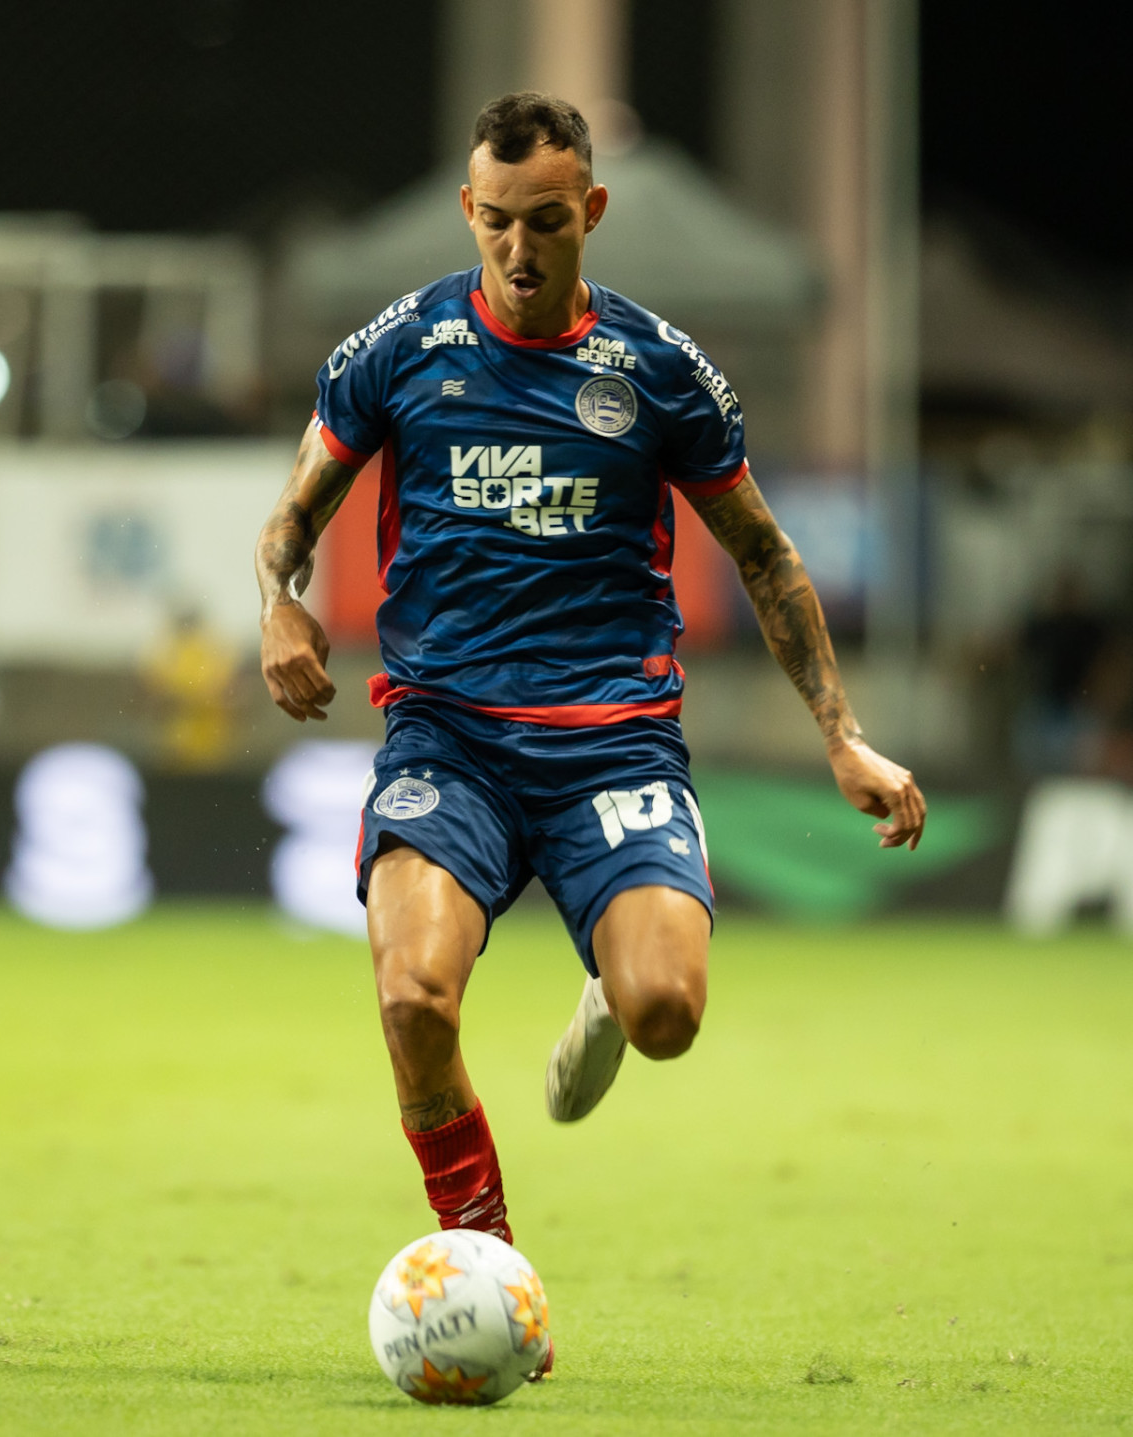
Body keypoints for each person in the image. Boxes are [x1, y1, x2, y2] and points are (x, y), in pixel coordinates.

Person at [253, 93, 927, 1361]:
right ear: (469, 209)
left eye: (548, 223)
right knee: (412, 999)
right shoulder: (399, 349)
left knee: (667, 1013)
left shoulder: (658, 370)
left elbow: (767, 556)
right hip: (447, 739)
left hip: (612, 745)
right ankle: (492, 1262)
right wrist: (280, 604)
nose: (520, 250)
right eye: (498, 221)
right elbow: (293, 515)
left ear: (592, 212)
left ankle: (609, 995)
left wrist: (842, 736)